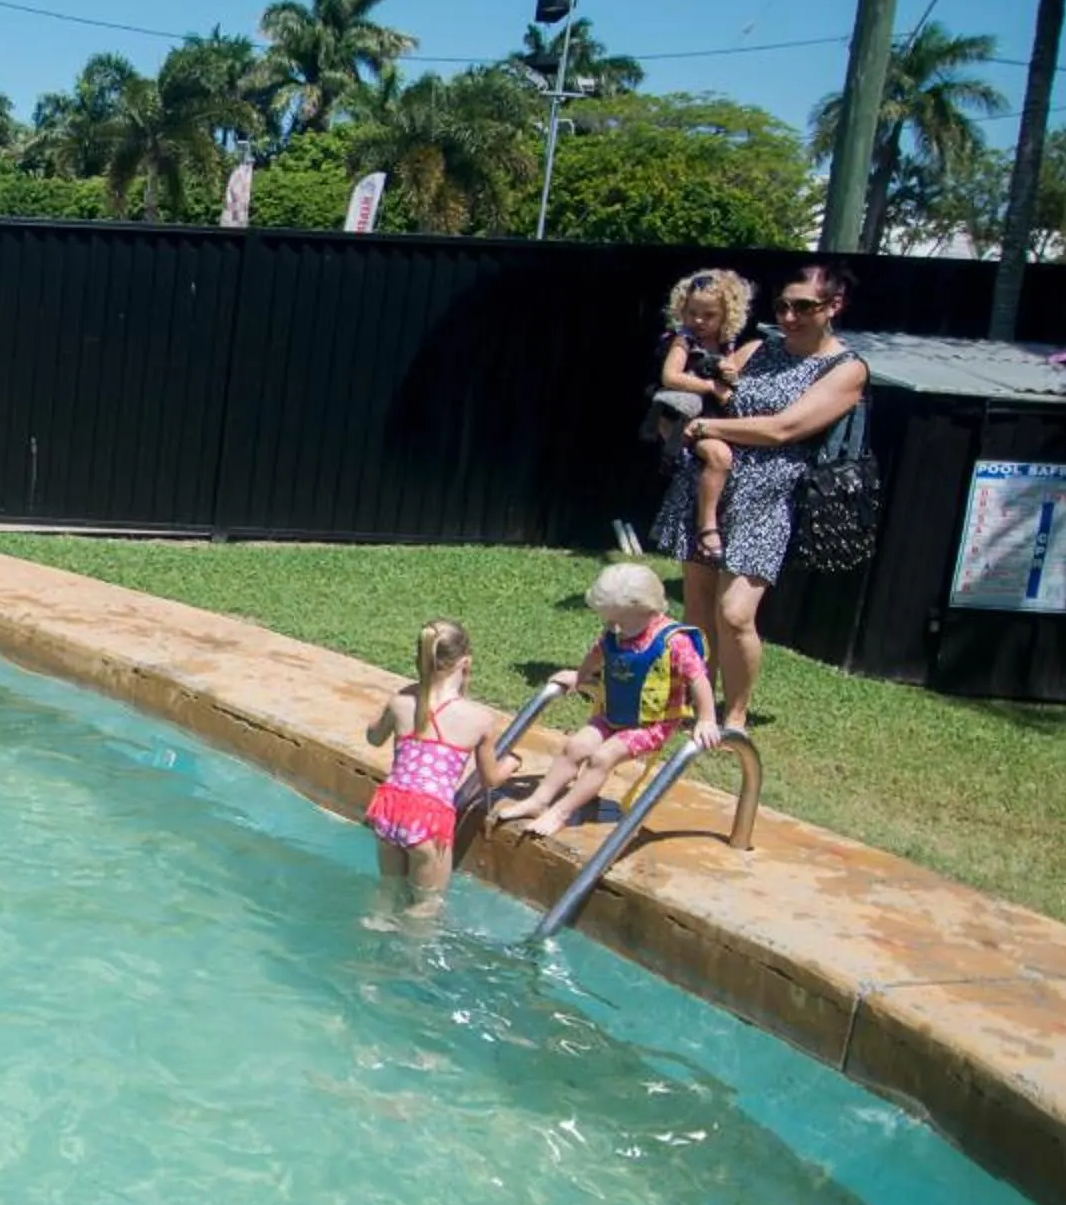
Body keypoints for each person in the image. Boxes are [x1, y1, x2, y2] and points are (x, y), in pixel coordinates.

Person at [654, 262, 869, 723]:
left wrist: (707, 426)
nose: (789, 316)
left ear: (834, 306)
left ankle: (735, 715)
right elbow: (712, 385)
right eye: (783, 306)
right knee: (697, 603)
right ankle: (697, 700)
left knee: (734, 613)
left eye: (803, 307)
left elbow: (783, 429)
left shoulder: (845, 369)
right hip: (709, 481)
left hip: (767, 498)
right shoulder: (757, 349)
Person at [492, 563, 720, 840]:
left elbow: (699, 678)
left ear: (651, 610)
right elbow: (597, 653)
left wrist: (706, 719)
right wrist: (580, 676)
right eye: (608, 621)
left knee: (602, 757)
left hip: (650, 725)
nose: (613, 627)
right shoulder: (618, 630)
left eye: (620, 621)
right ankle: (539, 800)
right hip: (612, 713)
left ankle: (561, 812)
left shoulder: (674, 642)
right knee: (575, 747)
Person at [360, 619, 509, 911]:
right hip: (428, 816)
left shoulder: (401, 701)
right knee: (426, 907)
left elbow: (374, 737)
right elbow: (490, 779)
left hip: (390, 806)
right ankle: (413, 956)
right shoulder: (479, 719)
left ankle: (368, 948)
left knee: (387, 894)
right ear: (465, 662)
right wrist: (512, 765)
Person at [644, 268, 759, 562]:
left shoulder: (728, 345)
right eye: (692, 312)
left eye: (708, 315)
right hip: (679, 415)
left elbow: (732, 383)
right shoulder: (683, 341)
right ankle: (707, 527)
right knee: (720, 457)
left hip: (712, 416)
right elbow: (670, 377)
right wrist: (710, 385)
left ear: (726, 316)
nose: (698, 321)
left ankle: (726, 521)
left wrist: (731, 374)